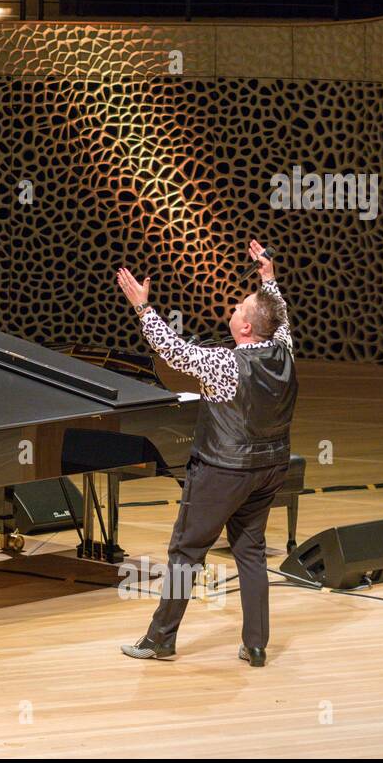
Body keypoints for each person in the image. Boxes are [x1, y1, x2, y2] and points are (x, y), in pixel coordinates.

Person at [115, 240, 297, 667]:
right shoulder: (284, 350)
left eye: (239, 308)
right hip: (270, 468)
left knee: (186, 552)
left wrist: (143, 308)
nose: (233, 309)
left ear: (247, 328)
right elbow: (281, 316)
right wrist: (267, 278)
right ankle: (256, 644)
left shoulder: (224, 363)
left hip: (223, 471)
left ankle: (161, 639)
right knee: (250, 552)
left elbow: (173, 351)